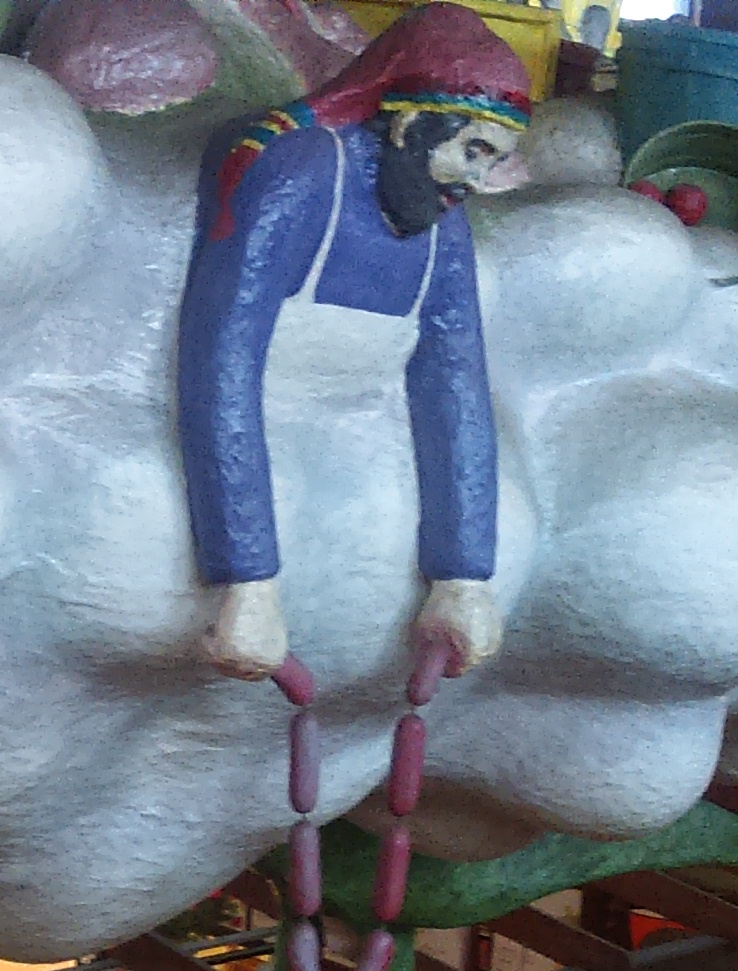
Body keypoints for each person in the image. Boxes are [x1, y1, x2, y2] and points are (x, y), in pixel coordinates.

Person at [175, 1, 530, 680]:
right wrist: (247, 579)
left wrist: (464, 577)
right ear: (408, 124)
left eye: (493, 161)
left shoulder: (444, 230)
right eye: (473, 151)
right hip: (239, 473)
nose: (476, 181)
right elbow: (222, 358)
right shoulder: (304, 171)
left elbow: (455, 388)